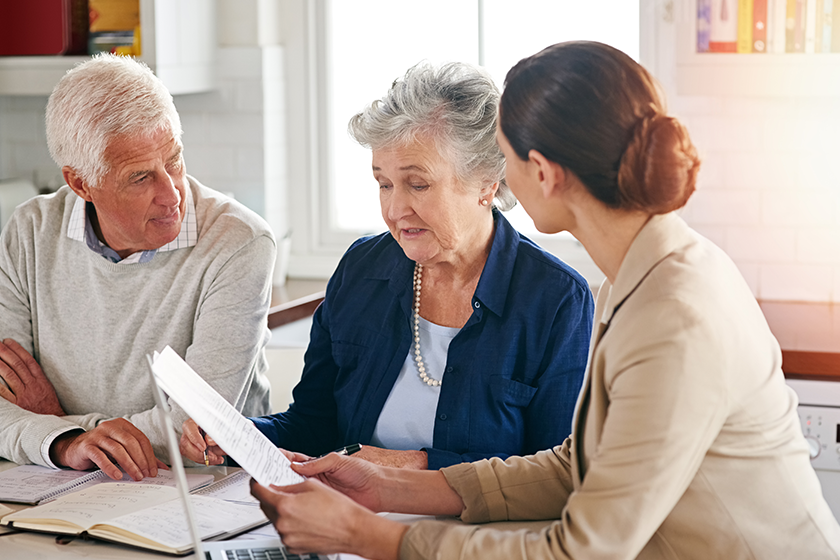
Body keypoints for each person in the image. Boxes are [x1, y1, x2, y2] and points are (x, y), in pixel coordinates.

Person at [246, 42, 840, 560]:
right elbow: (574, 465)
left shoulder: (672, 315)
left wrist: (377, 539)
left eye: (503, 154)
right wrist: (393, 489)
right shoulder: (639, 276)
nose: (499, 175)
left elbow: (582, 549)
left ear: (541, 172)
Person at [181, 62, 594, 470]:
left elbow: (552, 475)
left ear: (487, 182)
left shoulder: (556, 300)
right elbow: (313, 424)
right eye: (383, 184)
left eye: (418, 184)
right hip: (348, 522)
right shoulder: (362, 268)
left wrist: (410, 467)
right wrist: (236, 434)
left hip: (473, 535)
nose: (395, 210)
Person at [0, 53, 275, 482]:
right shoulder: (30, 232)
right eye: (140, 178)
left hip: (204, 490)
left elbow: (195, 422)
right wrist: (66, 441)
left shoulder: (238, 243)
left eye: (175, 161)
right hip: (58, 482)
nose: (172, 195)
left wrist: (60, 425)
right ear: (80, 184)